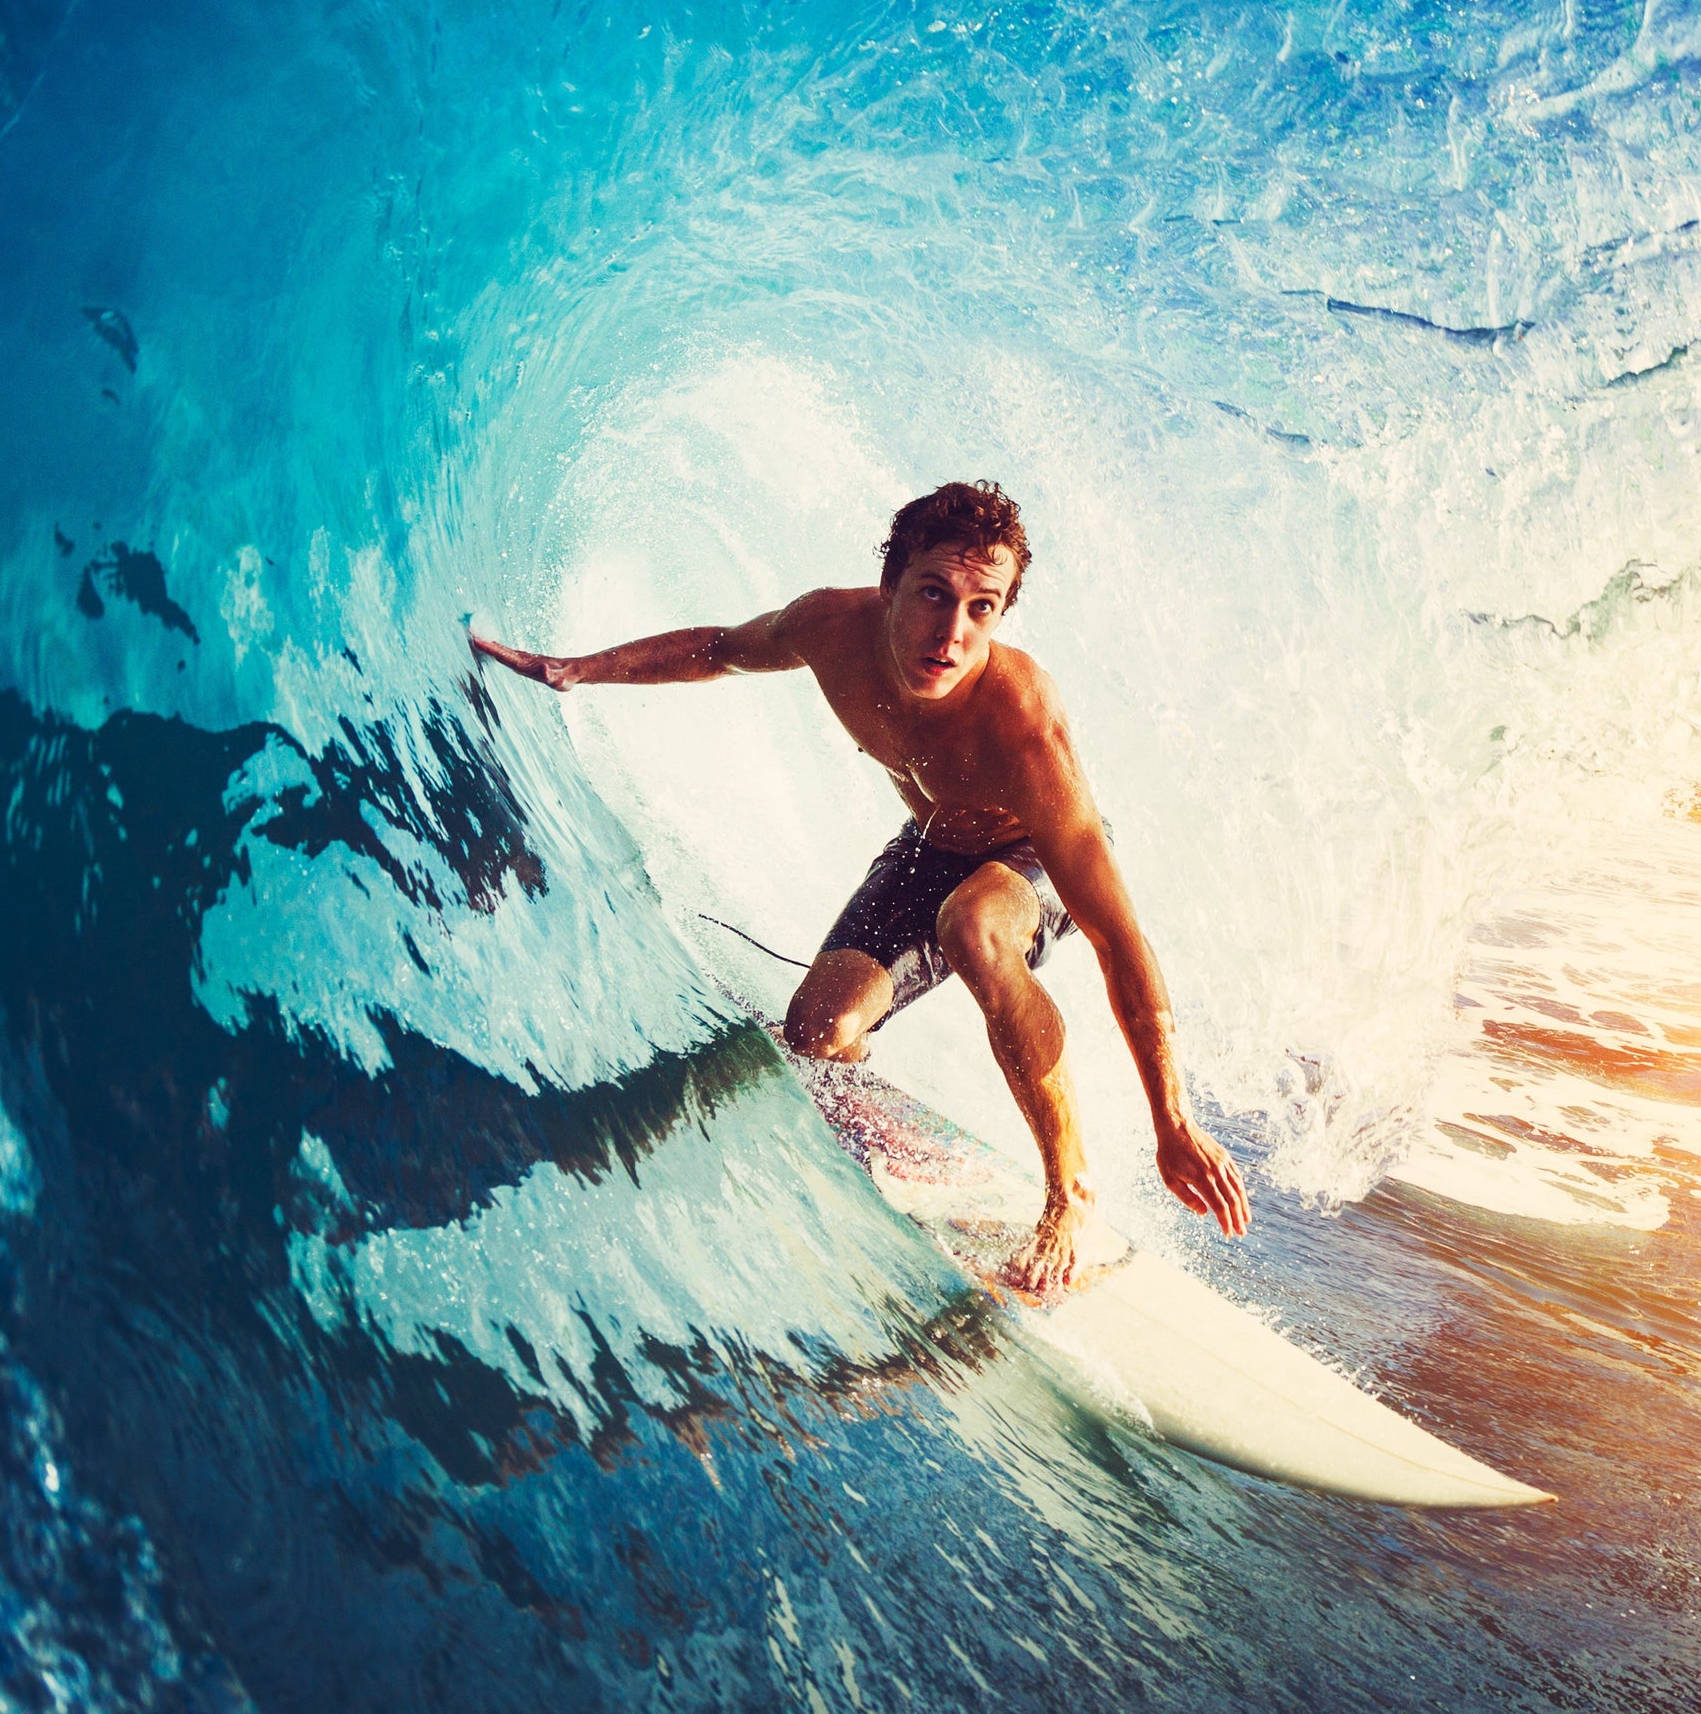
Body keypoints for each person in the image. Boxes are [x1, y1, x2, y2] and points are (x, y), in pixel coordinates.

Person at [468, 480, 1250, 1292]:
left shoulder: (1024, 726)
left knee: (974, 927)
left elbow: (1119, 936)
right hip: (928, 847)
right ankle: (867, 1097)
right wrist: (578, 670)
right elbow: (719, 650)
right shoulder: (828, 627)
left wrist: (1173, 1120)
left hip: (1024, 865)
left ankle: (1069, 1193)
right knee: (816, 1031)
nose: (952, 634)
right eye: (934, 595)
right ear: (890, 586)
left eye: (982, 609)